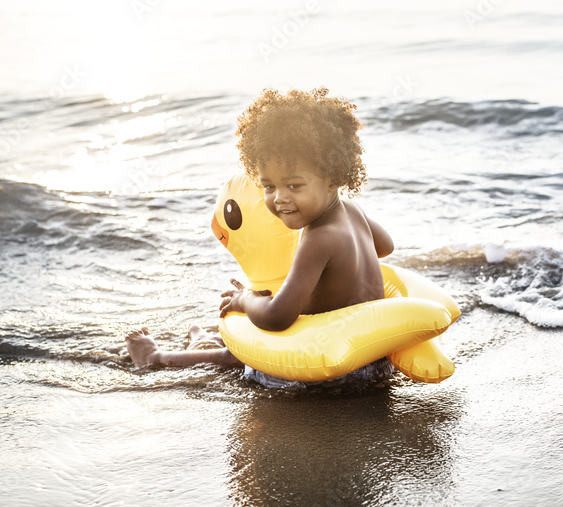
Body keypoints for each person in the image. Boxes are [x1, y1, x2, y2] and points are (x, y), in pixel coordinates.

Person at [125, 88, 396, 388]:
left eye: (294, 185)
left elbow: (277, 318)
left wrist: (245, 299)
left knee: (242, 356)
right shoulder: (351, 211)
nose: (280, 198)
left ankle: (157, 359)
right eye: (268, 187)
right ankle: (203, 340)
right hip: (375, 363)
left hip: (333, 375)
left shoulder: (320, 239)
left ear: (333, 178)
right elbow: (386, 246)